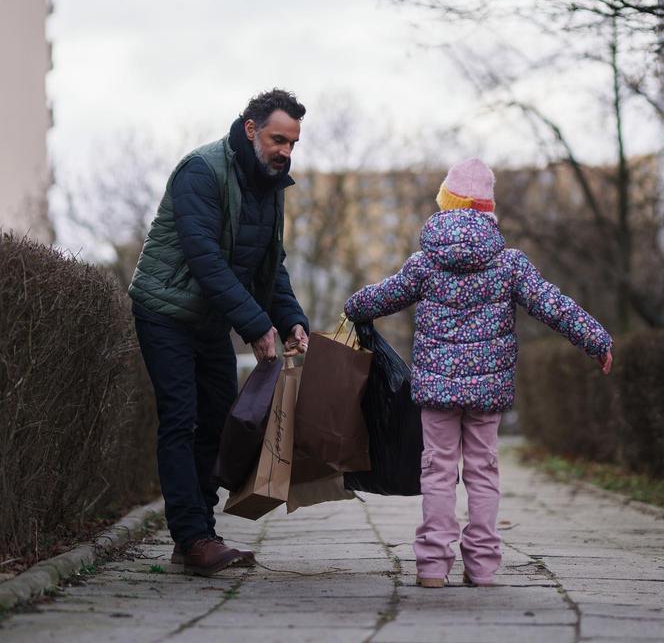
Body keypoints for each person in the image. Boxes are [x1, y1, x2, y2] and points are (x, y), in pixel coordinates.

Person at [344, 158, 612, 588]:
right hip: (489, 389)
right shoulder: (509, 263)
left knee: (437, 471)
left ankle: (432, 566)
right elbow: (552, 304)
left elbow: (380, 297)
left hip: (436, 389)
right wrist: (596, 339)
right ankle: (483, 567)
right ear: (488, 209)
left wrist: (354, 307)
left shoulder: (425, 262)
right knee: (483, 471)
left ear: (446, 204)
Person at [128, 89, 309, 577]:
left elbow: (271, 265)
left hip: (208, 316)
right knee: (181, 420)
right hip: (164, 309)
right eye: (278, 139)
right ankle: (193, 538)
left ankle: (197, 533)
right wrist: (255, 325)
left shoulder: (270, 186)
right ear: (250, 129)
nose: (285, 151)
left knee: (217, 421)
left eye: (293, 143)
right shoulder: (201, 171)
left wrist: (291, 318)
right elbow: (204, 256)